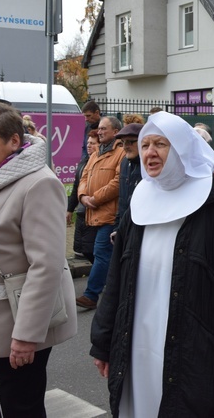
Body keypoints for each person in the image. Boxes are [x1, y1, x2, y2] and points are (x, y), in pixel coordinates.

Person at [89, 111, 214, 416]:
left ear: (182, 149)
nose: (150, 153)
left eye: (161, 144)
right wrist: (103, 342)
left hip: (193, 349)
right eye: (145, 145)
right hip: (137, 343)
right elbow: (117, 277)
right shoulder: (140, 202)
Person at [0, 102, 77, 416]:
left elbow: (46, 264)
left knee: (20, 404)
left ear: (14, 142)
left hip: (18, 320)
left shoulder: (39, 184)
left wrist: (26, 335)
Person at [75, 116, 125, 309]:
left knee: (101, 252)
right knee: (109, 255)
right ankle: (119, 286)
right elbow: (84, 176)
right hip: (92, 211)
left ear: (115, 132)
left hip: (109, 213)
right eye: (100, 129)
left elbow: (118, 182)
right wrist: (82, 196)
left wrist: (95, 198)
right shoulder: (96, 154)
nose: (100, 131)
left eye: (104, 129)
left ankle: (91, 295)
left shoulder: (120, 153)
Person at [67, 131, 99, 263]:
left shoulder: (100, 163)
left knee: (91, 249)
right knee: (81, 249)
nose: (89, 146)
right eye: (88, 143)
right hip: (81, 212)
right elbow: (76, 187)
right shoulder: (83, 163)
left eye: (93, 143)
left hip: (93, 212)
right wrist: (69, 209)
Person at [114, 123, 143, 230]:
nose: (125, 146)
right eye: (123, 142)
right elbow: (122, 200)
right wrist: (117, 228)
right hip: (124, 227)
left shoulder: (151, 166)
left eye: (130, 142)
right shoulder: (124, 163)